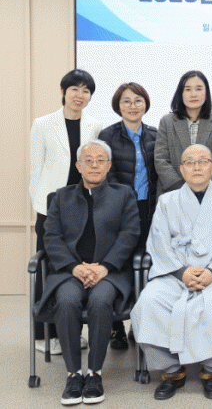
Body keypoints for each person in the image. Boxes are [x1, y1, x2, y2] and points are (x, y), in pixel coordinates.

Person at [132, 144, 212, 401]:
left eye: (203, 161)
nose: (197, 166)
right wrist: (181, 272)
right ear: (181, 169)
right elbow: (158, 242)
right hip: (174, 272)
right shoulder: (166, 202)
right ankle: (172, 371)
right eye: (190, 162)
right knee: (149, 302)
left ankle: (211, 371)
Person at [35, 140, 140, 405]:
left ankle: (94, 373)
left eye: (100, 160)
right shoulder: (61, 196)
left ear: (109, 165)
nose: (94, 165)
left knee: (101, 300)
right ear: (78, 166)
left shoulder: (124, 194)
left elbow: (130, 234)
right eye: (88, 160)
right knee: (67, 300)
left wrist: (105, 267)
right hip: (69, 271)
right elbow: (51, 237)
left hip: (110, 272)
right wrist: (75, 267)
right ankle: (73, 374)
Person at [30, 69, 102, 355]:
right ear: (63, 92)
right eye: (74, 89)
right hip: (51, 210)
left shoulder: (94, 125)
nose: (79, 95)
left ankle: (71, 331)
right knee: (47, 270)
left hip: (83, 209)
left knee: (77, 271)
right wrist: (42, 209)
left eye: (86, 91)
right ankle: (43, 334)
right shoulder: (43, 124)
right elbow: (36, 170)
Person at [99, 82, 158, 350]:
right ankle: (116, 328)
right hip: (119, 210)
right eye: (126, 101)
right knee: (118, 263)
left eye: (137, 101)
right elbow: (107, 175)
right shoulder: (108, 135)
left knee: (145, 264)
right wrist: (122, 203)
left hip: (148, 209)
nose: (132, 106)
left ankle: (138, 321)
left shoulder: (155, 135)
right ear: (118, 105)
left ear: (145, 104)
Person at [154, 71, 212, 196]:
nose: (193, 94)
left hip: (208, 195)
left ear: (206, 93)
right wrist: (182, 189)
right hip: (173, 193)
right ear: (180, 93)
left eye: (199, 89)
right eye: (188, 89)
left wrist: (206, 189)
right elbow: (161, 159)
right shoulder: (167, 122)